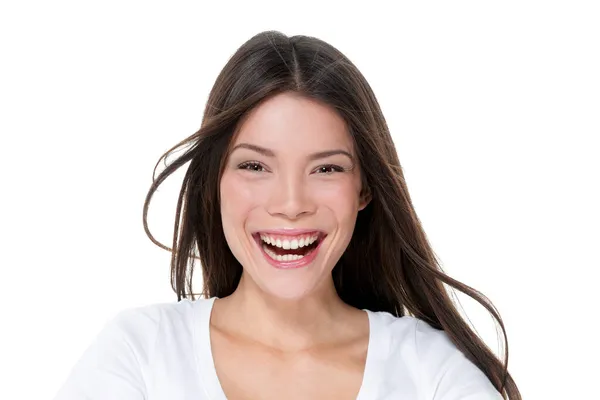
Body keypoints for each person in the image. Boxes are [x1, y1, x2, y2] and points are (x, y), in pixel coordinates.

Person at [53, 30, 521, 399]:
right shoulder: (140, 352)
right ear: (215, 183)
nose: (291, 203)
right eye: (255, 166)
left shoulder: (432, 372)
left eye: (326, 168)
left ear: (365, 189)